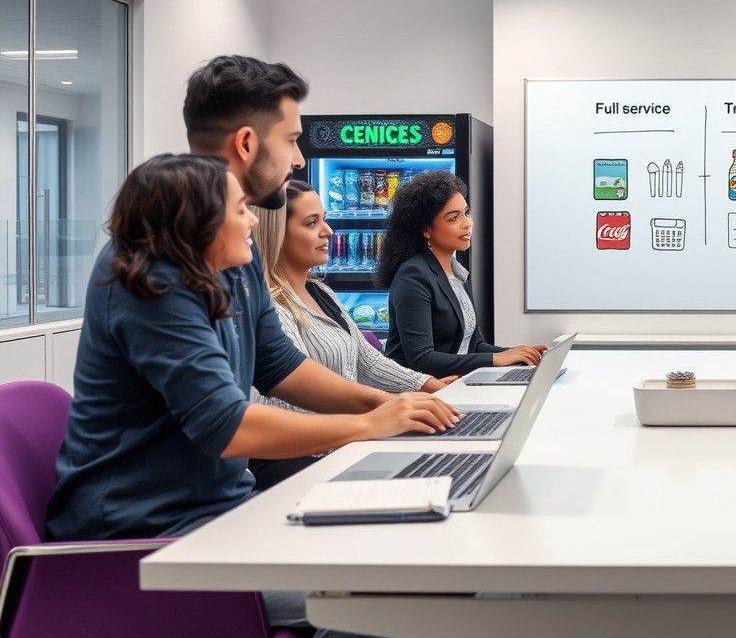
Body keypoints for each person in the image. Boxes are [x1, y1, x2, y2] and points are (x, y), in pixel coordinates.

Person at [46, 155, 458, 543]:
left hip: (221, 508)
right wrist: (370, 424)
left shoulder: (229, 269)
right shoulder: (153, 281)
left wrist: (385, 404)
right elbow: (226, 423)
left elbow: (281, 367)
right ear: (197, 224)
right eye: (241, 209)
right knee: (391, 568)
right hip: (147, 533)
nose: (252, 221)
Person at [248, 179, 459, 489]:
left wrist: (428, 388)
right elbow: (287, 403)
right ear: (275, 233)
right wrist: (379, 416)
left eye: (324, 219)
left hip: (342, 444)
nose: (328, 231)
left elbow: (368, 360)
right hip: (305, 459)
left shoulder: (321, 292)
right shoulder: (273, 308)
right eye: (311, 223)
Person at [380, 170, 545, 377]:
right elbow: (421, 360)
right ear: (425, 230)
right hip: (418, 396)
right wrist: (496, 359)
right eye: (453, 218)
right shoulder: (413, 275)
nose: (467, 223)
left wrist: (518, 354)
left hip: (453, 385)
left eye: (466, 212)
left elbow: (474, 345)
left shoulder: (456, 270)